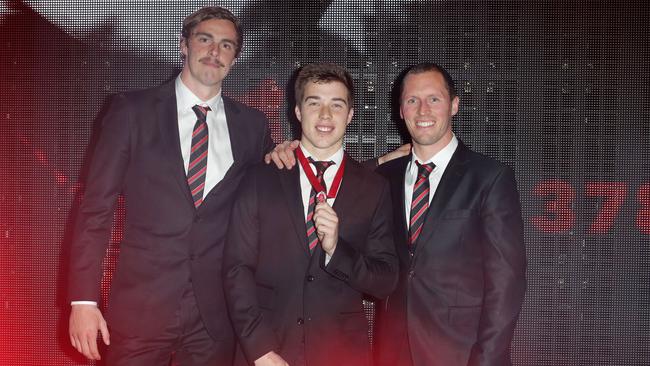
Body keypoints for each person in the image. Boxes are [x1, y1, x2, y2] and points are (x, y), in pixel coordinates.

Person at [267, 62, 526, 366]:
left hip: (463, 353)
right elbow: (341, 179)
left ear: (454, 105)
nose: (422, 110)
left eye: (434, 99)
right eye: (412, 100)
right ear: (401, 110)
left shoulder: (490, 178)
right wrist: (292, 156)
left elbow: (507, 283)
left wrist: (487, 360)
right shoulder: (384, 178)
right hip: (392, 351)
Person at [67, 6, 273, 365]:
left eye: (226, 46)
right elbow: (95, 209)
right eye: (205, 39)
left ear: (235, 59)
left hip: (215, 318)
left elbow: (271, 198)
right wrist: (83, 301)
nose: (214, 51)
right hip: (139, 311)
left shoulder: (253, 127)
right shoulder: (132, 111)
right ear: (183, 45)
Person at [223, 63, 398, 366]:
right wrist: (259, 349)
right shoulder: (259, 178)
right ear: (298, 112)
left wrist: (336, 251)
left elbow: (385, 281)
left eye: (337, 105)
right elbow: (236, 269)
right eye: (314, 103)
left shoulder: (375, 188)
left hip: (342, 354)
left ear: (351, 114)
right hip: (268, 353)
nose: (326, 115)